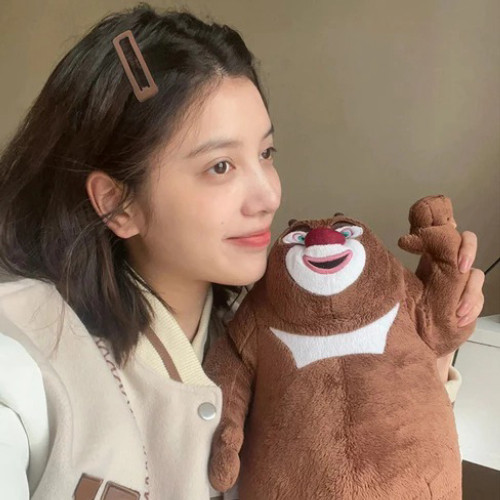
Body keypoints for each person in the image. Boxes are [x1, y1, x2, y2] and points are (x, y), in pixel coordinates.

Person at [0, 4, 485, 500]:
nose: (269, 196)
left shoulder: (274, 333)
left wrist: (427, 340)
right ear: (116, 203)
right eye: (220, 166)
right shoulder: (20, 363)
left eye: (265, 154)